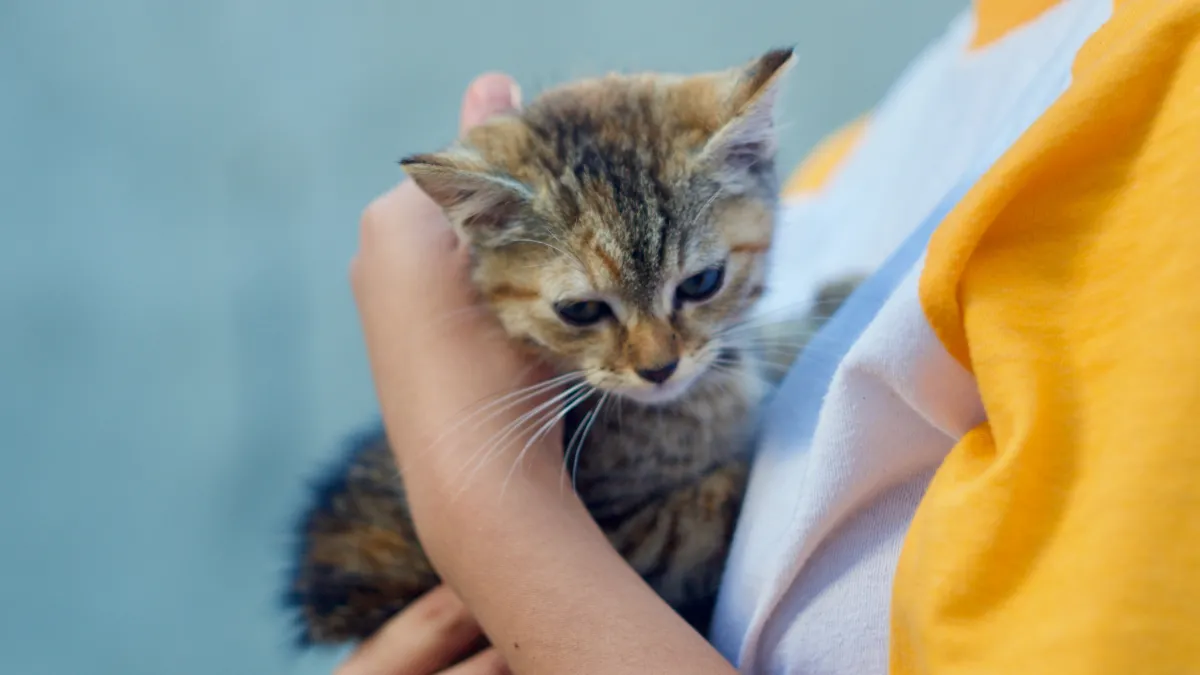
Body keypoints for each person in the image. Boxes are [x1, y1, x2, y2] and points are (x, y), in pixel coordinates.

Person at [340, 1, 1200, 673]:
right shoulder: (863, 155)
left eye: (700, 287)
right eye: (585, 311)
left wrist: (473, 493)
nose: (656, 358)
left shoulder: (1163, 85)